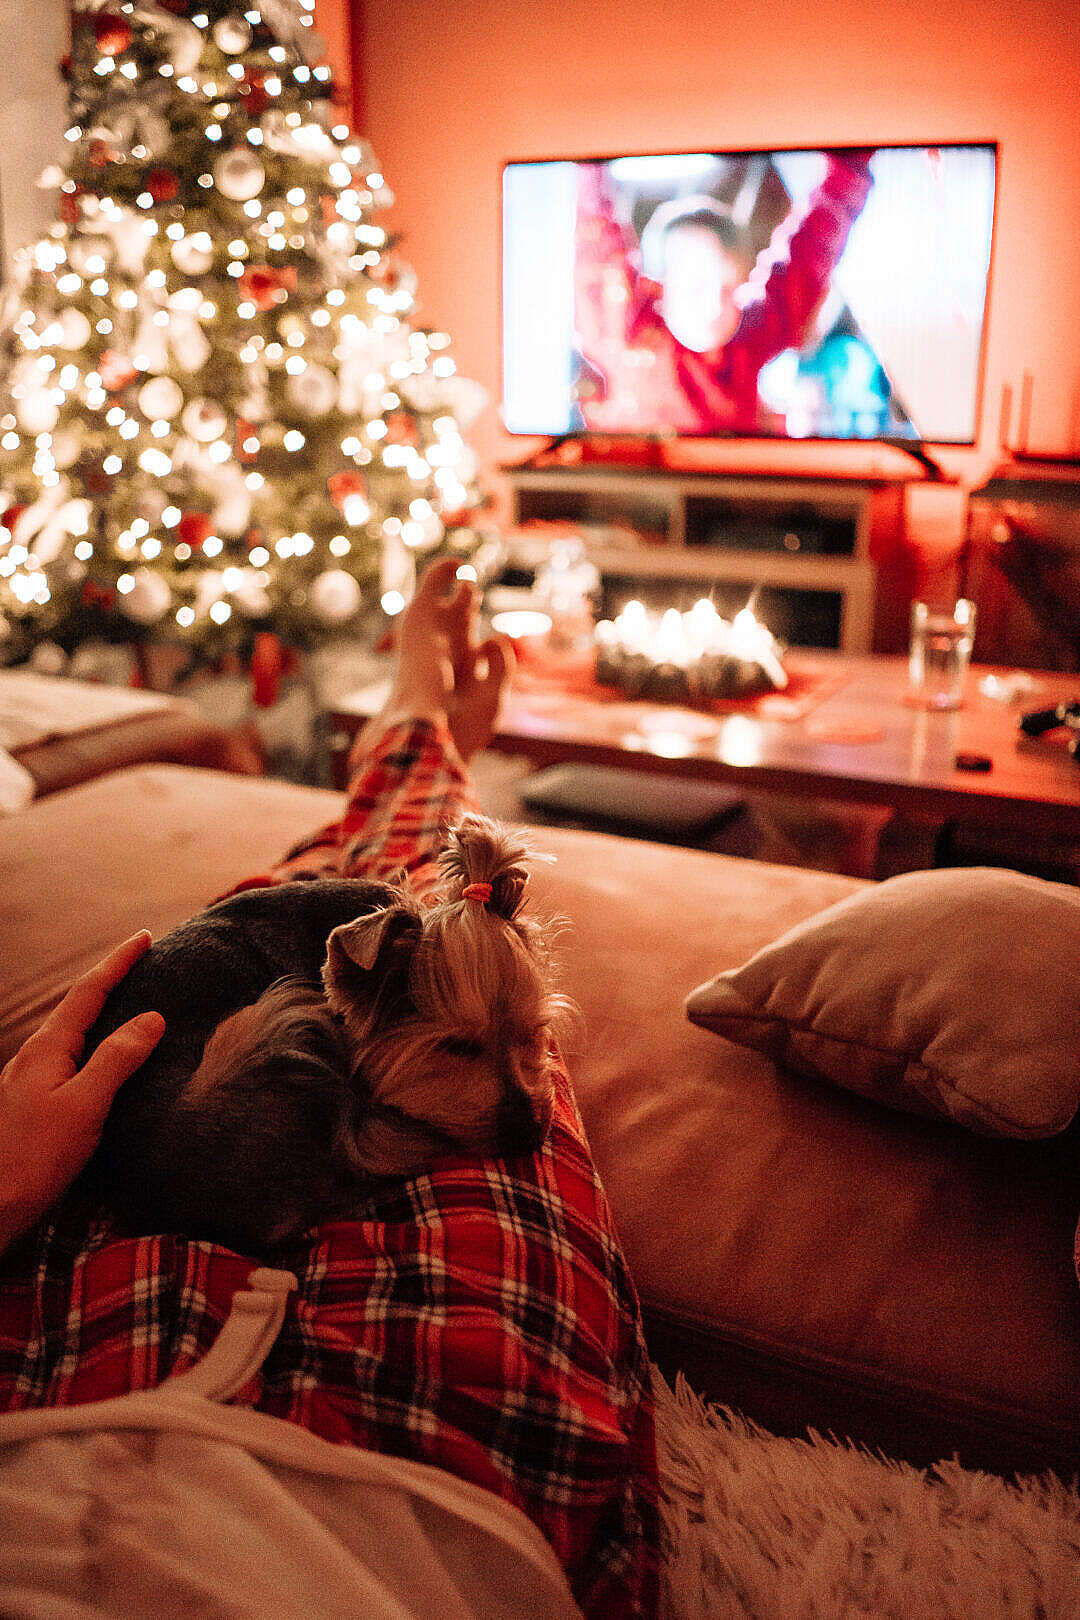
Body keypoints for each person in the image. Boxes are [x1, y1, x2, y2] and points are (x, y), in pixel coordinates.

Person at [0, 557, 660, 1619]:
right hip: (444, 1471)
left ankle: (414, 728)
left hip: (70, 1375)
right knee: (457, 984)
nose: (516, 1090)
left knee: (336, 915)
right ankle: (419, 735)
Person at [573, 149, 875, 436]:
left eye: (729, 288)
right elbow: (595, 226)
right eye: (695, 287)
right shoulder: (625, 332)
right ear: (658, 289)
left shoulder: (753, 334)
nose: (714, 307)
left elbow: (813, 244)